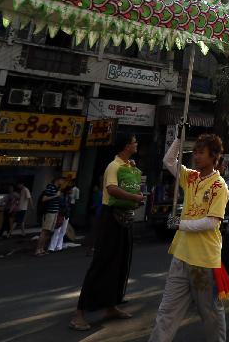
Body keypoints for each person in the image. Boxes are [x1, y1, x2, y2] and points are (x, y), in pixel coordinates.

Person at [149, 133, 229, 342]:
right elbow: (168, 161)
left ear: (214, 156)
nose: (196, 156)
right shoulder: (191, 177)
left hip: (203, 260)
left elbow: (212, 222)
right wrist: (178, 137)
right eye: (194, 151)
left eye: (201, 152)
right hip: (181, 255)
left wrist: (179, 224)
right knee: (167, 311)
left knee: (210, 314)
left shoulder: (219, 186)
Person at [70, 135, 145, 331]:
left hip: (125, 218)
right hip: (111, 218)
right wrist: (134, 196)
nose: (136, 144)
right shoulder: (113, 166)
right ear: (126, 145)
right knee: (102, 263)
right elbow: (112, 189)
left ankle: (111, 306)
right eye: (134, 141)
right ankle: (79, 313)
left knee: (120, 263)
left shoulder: (128, 166)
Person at [35, 177, 63, 256]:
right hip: (49, 212)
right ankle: (38, 250)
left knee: (48, 232)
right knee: (44, 231)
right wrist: (55, 195)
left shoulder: (56, 188)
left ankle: (42, 249)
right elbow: (44, 199)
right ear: (57, 180)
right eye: (61, 180)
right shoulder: (50, 187)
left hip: (54, 212)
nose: (62, 182)